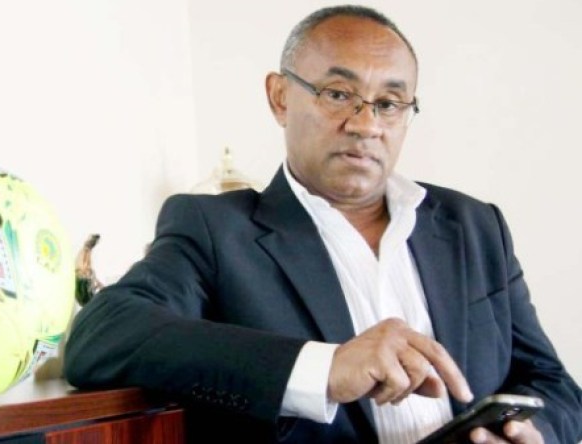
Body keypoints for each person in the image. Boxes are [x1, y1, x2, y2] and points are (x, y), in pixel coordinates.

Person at [63, 5, 582, 443]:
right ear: (280, 97)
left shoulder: (475, 226)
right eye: (337, 94)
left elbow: (554, 386)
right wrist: (326, 368)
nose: (366, 124)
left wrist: (532, 433)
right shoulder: (215, 230)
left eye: (389, 103)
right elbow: (100, 337)